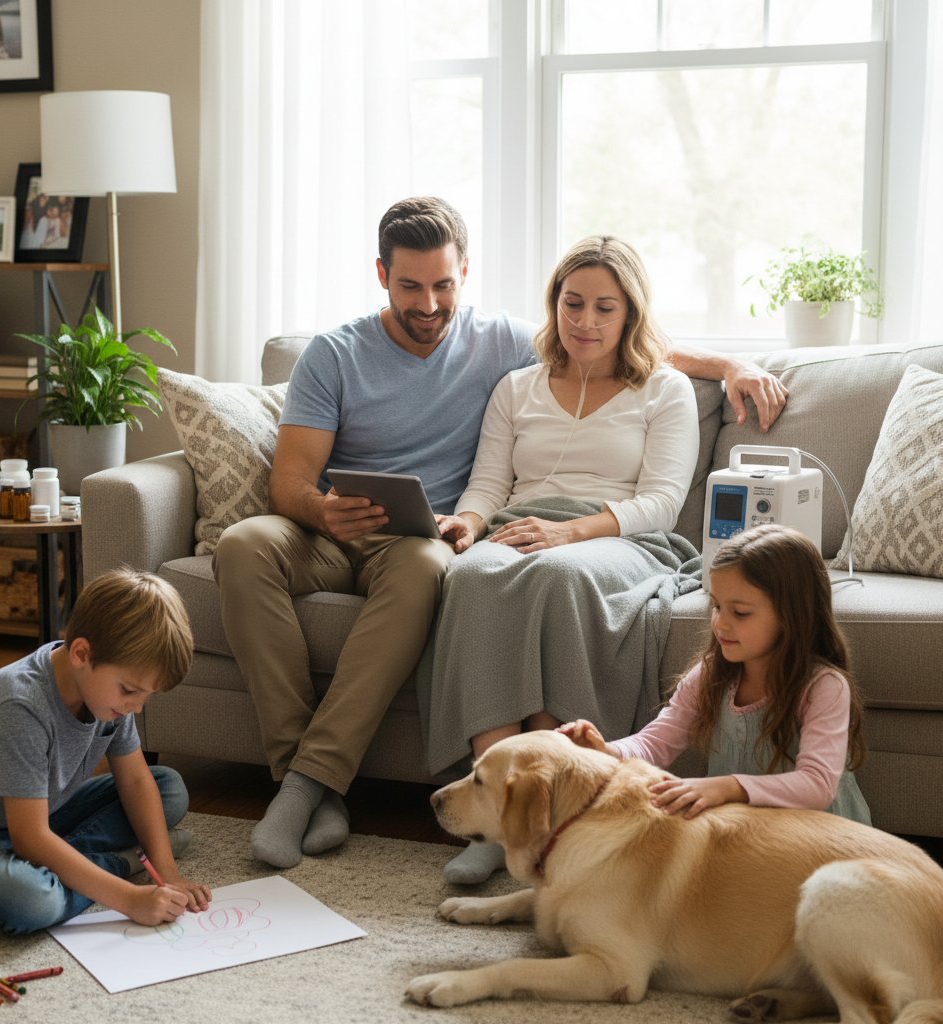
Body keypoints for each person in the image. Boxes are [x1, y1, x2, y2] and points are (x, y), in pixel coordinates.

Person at [213, 196, 789, 871]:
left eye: (443, 285)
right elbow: (300, 483)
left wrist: (727, 367)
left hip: (466, 541)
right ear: (381, 275)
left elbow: (623, 357)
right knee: (251, 545)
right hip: (350, 526)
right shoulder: (363, 360)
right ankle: (308, 782)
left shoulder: (534, 349)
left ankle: (523, 809)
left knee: (462, 569)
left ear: (465, 274)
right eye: (409, 286)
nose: (428, 303)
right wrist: (345, 512)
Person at [428, 234, 702, 884]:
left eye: (605, 308)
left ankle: (543, 808)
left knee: (555, 575)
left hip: (623, 539)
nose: (585, 321)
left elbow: (662, 501)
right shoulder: (516, 388)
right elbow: (489, 487)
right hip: (520, 526)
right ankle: (493, 814)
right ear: (553, 305)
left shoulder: (665, 390)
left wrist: (572, 533)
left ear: (630, 313)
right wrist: (466, 526)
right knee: (470, 577)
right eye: (572, 303)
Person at [0, 568, 212, 935]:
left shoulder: (108, 695)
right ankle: (117, 864)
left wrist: (168, 874)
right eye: (130, 691)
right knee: (30, 901)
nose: (137, 707)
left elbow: (136, 780)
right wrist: (129, 899)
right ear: (81, 654)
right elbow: (29, 838)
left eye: (146, 696)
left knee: (168, 788)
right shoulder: (18, 706)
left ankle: (65, 865)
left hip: (42, 814)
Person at [560, 523, 870, 823]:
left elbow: (817, 786)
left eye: (740, 612)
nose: (720, 624)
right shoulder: (711, 675)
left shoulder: (824, 687)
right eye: (716, 606)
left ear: (792, 614)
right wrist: (607, 750)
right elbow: (653, 744)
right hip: (743, 832)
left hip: (821, 841)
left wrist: (727, 787)